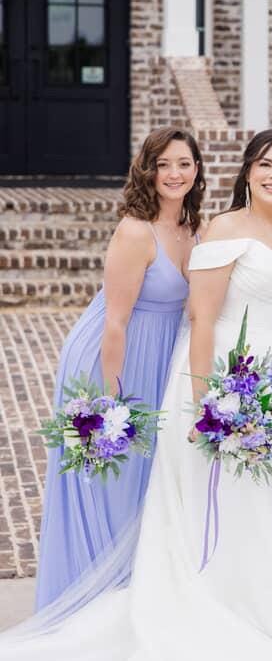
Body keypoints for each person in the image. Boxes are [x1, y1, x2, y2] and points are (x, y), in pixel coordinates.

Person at [0, 128, 272, 661]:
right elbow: (199, 317)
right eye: (267, 164)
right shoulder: (221, 230)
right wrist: (208, 401)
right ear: (248, 170)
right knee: (202, 498)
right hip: (224, 374)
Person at [35, 125, 204, 611]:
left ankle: (135, 595)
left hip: (160, 357)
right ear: (147, 171)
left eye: (184, 164)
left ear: (197, 170)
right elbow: (114, 321)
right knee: (113, 479)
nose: (174, 173)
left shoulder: (193, 228)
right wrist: (112, 405)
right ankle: (90, 601)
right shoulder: (136, 230)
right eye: (164, 164)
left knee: (145, 483)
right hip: (113, 359)